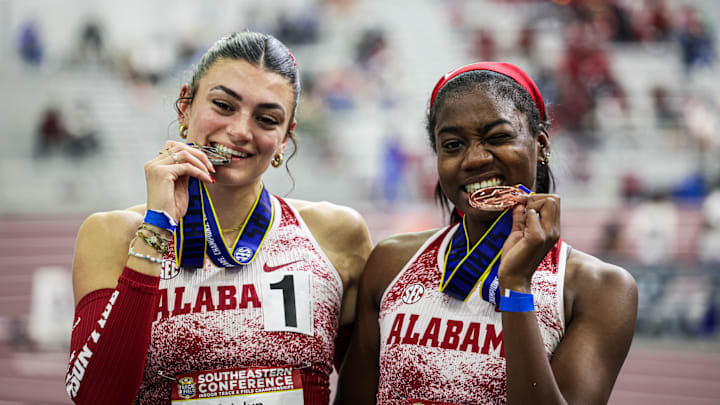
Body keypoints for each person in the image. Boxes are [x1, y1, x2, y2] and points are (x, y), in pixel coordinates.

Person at [65, 31, 372, 404]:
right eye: (224, 105)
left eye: (266, 118)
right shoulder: (113, 234)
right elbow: (97, 398)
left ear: (285, 138)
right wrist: (156, 229)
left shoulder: (337, 235)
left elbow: (370, 391)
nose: (241, 131)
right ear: (185, 106)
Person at [336, 62, 638, 404]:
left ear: (540, 145)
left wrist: (516, 287)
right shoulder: (391, 262)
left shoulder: (599, 287)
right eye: (452, 145)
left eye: (498, 137)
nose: (475, 159)